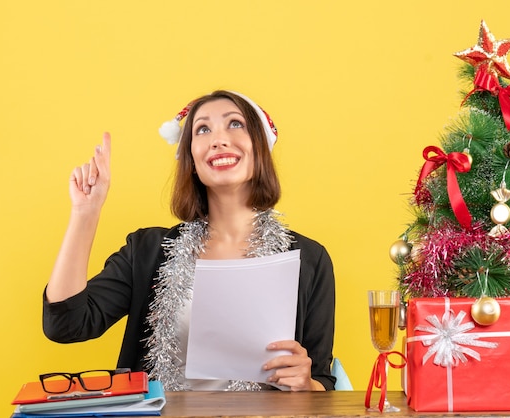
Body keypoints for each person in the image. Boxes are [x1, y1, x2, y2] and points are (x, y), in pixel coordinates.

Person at [43, 90, 336, 392]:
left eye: (235, 124)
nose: (218, 139)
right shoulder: (148, 251)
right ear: (192, 159)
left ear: (260, 147)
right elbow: (66, 324)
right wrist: (85, 213)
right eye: (203, 129)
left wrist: (307, 383)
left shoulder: (308, 259)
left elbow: (323, 380)